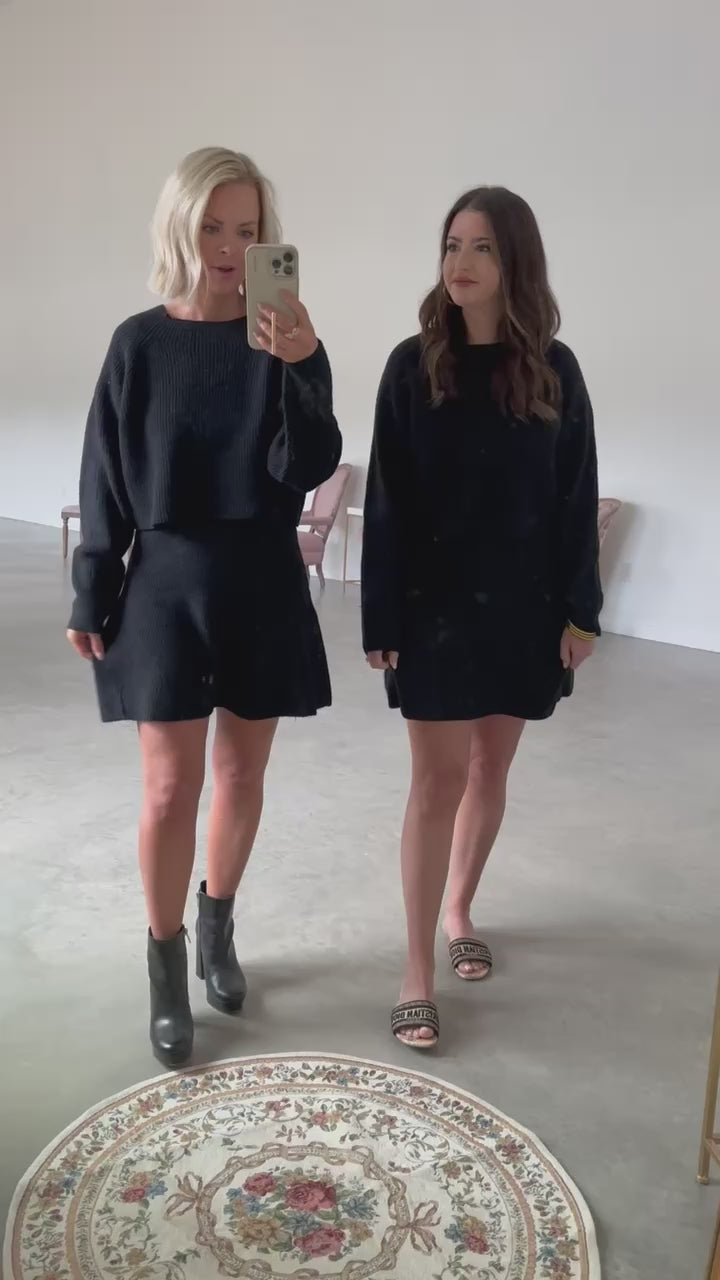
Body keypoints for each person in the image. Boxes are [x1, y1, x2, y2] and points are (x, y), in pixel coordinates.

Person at [66, 147, 342, 1067]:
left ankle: (216, 928)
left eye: (247, 229)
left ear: (267, 240)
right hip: (166, 582)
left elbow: (307, 465)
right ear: (180, 228)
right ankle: (164, 962)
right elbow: (104, 474)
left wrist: (303, 365)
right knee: (166, 786)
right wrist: (93, 586)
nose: (229, 246)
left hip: (262, 576)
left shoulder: (286, 341)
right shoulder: (138, 344)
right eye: (213, 226)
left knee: (241, 776)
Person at [361, 187, 601, 1049]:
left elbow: (576, 496)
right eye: (452, 245)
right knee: (436, 783)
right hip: (433, 612)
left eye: (482, 248)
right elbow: (386, 499)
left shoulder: (554, 369)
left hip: (525, 609)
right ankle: (415, 968)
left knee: (490, 770)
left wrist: (582, 614)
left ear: (515, 262)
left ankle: (460, 909)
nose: (459, 263)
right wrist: (381, 616)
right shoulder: (412, 365)